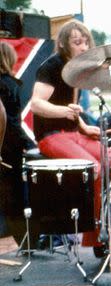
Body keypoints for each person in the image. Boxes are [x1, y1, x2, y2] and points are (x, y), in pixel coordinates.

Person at [29, 20, 104, 251]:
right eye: (77, 42)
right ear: (63, 44)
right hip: (50, 135)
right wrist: (66, 112)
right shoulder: (51, 67)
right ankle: (78, 226)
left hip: (71, 134)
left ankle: (94, 236)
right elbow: (36, 104)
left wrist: (83, 126)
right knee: (93, 167)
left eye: (86, 42)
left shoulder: (76, 69)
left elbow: (69, 108)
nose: (83, 47)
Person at [0, 42, 36, 235]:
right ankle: (23, 236)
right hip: (8, 146)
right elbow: (12, 122)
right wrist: (27, 143)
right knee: (13, 193)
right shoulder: (11, 85)